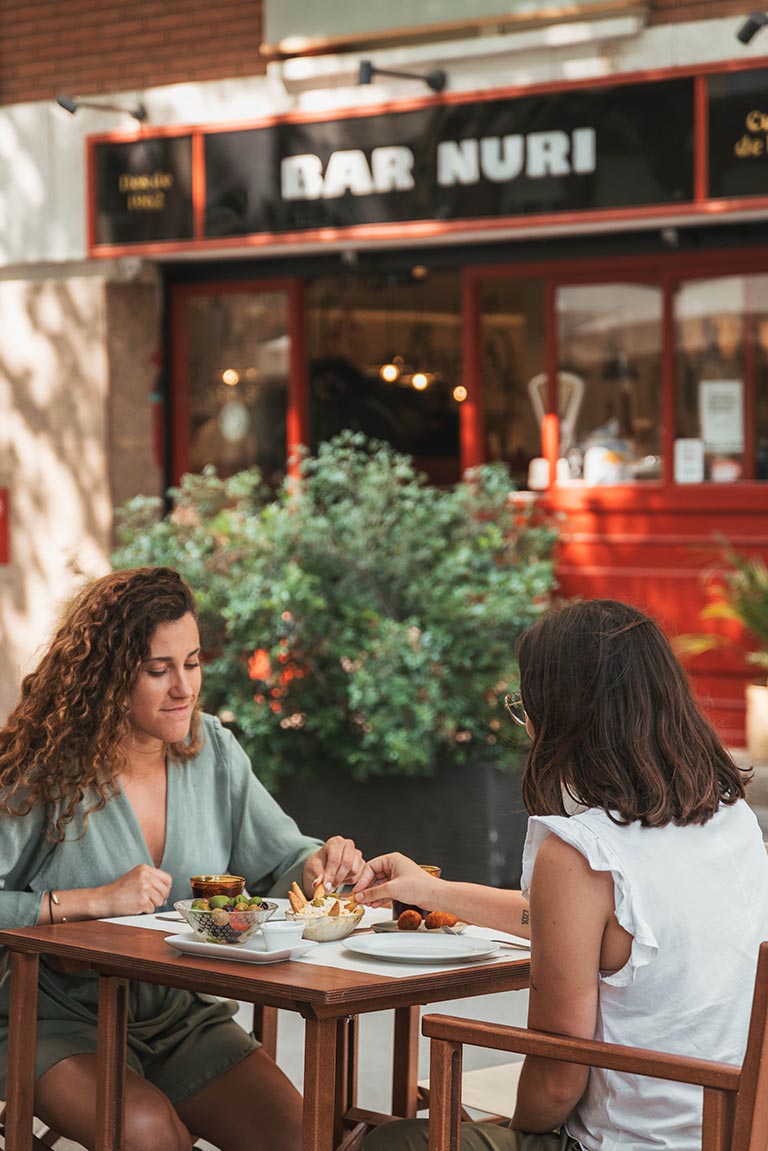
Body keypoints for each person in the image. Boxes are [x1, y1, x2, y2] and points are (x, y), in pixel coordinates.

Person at [353, 599, 768, 1151]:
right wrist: (430, 891)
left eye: (528, 706)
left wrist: (513, 1129)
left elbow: (556, 1080)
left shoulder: (582, 854)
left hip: (623, 1142)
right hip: (729, 1132)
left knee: (392, 1141)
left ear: (566, 717)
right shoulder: (731, 817)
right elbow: (588, 934)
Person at [0, 566, 366, 1151]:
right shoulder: (45, 769)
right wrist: (86, 903)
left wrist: (323, 863)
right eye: (157, 670)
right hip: (52, 1018)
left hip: (180, 1017)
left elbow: (283, 859)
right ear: (106, 676)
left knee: (307, 1138)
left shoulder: (214, 750)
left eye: (192, 663)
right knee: (148, 1133)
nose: (184, 689)